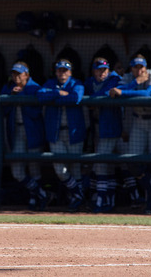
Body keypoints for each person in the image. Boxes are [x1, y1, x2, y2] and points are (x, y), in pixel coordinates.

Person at [109, 54, 151, 215]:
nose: (139, 70)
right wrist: (134, 83)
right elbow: (113, 93)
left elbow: (148, 94)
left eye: (141, 67)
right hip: (137, 122)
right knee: (132, 161)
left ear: (146, 67)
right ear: (131, 68)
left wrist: (125, 91)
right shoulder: (127, 77)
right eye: (135, 67)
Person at [37, 59, 86, 212]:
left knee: (75, 168)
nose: (62, 73)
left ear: (70, 72)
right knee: (60, 169)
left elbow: (75, 98)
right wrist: (58, 93)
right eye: (59, 70)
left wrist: (55, 98)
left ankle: (76, 201)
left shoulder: (76, 83)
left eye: (65, 71)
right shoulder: (50, 84)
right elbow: (40, 96)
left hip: (74, 132)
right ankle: (79, 195)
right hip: (56, 133)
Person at [1, 61, 49, 211]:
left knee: (34, 168)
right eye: (14, 74)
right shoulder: (8, 88)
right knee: (17, 170)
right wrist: (11, 96)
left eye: (19, 74)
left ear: (26, 75)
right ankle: (41, 193)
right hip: (16, 132)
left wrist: (21, 96)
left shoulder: (35, 88)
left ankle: (36, 199)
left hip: (33, 132)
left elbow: (37, 112)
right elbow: (2, 110)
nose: (16, 77)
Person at [84, 57, 122, 213]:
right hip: (95, 129)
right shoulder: (89, 82)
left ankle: (101, 201)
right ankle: (107, 199)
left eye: (104, 69)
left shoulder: (115, 78)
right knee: (103, 166)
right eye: (99, 69)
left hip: (113, 128)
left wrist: (93, 100)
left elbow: (107, 93)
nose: (102, 72)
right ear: (94, 70)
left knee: (103, 165)